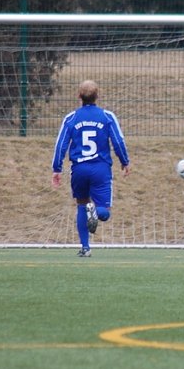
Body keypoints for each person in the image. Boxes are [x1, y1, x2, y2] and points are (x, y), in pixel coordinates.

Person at [51, 80, 130, 257]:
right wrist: (124, 161)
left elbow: (61, 145)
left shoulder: (71, 118)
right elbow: (118, 141)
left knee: (81, 205)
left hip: (79, 169)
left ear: (79, 97)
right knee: (104, 212)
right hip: (100, 169)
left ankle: (85, 248)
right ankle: (95, 211)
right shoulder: (107, 116)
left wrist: (57, 168)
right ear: (98, 96)